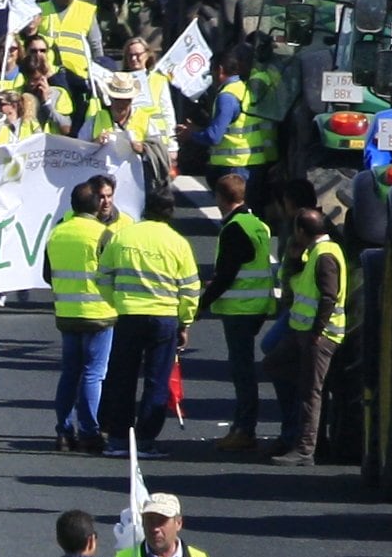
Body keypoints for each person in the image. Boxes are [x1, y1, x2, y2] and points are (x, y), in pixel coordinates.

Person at [93, 188, 199, 452]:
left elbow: (102, 277)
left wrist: (117, 303)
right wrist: (184, 321)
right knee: (157, 381)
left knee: (122, 378)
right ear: (170, 212)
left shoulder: (123, 237)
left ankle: (118, 439)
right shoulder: (178, 243)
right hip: (164, 318)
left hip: (129, 315)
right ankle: (145, 440)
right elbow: (190, 289)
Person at [260, 198, 351, 465]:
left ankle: (305, 449)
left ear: (301, 231)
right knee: (275, 366)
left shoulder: (324, 256)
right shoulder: (318, 253)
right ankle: (300, 437)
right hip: (304, 332)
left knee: (311, 392)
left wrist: (317, 331)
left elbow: (328, 296)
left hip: (319, 336)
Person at [198, 172, 280, 453]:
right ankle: (243, 427)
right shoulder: (256, 224)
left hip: (239, 309)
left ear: (220, 198)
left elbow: (226, 276)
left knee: (242, 371)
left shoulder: (235, 228)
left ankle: (245, 429)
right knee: (244, 369)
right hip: (257, 305)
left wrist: (200, 305)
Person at [45, 172, 116, 451]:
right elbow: (114, 275)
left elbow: (48, 273)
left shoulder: (57, 232)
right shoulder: (104, 234)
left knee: (70, 373)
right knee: (93, 373)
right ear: (96, 206)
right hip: (99, 312)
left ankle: (64, 431)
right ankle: (89, 431)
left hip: (67, 312)